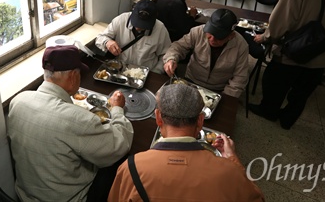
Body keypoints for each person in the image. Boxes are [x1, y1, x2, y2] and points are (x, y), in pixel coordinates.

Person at [7, 45, 134, 202]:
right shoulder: (77, 119)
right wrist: (117, 110)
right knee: (122, 161)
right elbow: (120, 144)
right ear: (73, 76)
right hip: (71, 198)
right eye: (80, 74)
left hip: (25, 196)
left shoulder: (18, 101)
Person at [108, 83, 264, 201]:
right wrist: (233, 159)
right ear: (200, 121)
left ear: (158, 118)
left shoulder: (131, 168)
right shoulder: (230, 173)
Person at [249, 0, 325, 129]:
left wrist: (264, 38)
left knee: (273, 79)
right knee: (301, 92)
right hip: (319, 51)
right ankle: (287, 119)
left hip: (297, 51)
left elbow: (280, 22)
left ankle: (269, 111)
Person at [163, 9, 249, 98]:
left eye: (219, 37)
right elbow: (178, 46)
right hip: (191, 81)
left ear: (231, 36)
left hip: (218, 88)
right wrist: (171, 59)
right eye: (210, 34)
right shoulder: (198, 32)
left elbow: (240, 78)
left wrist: (226, 98)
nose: (212, 39)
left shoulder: (241, 46)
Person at [95, 0, 171, 73]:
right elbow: (99, 38)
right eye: (137, 22)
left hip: (146, 72)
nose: (139, 27)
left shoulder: (160, 29)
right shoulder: (121, 20)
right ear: (132, 13)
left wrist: (156, 72)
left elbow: (165, 55)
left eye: (144, 25)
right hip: (120, 70)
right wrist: (107, 42)